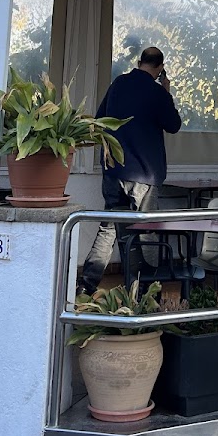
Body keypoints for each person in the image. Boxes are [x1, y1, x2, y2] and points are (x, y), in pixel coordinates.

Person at [80, 46, 182, 294]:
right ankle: (145, 290)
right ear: (160, 68)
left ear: (139, 62)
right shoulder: (157, 92)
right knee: (145, 231)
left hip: (114, 170)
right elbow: (173, 125)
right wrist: (166, 92)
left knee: (109, 228)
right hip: (145, 175)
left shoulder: (118, 84)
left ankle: (87, 285)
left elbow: (100, 119)